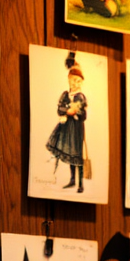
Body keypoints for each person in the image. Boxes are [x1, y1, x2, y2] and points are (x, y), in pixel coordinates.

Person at [46, 62, 88, 191]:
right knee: (70, 153)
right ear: (69, 80)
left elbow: (83, 115)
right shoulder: (65, 95)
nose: (75, 83)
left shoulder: (80, 97)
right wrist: (66, 110)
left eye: (78, 81)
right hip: (65, 129)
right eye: (73, 80)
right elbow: (60, 108)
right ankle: (72, 180)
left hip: (76, 130)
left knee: (77, 155)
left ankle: (80, 183)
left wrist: (77, 112)